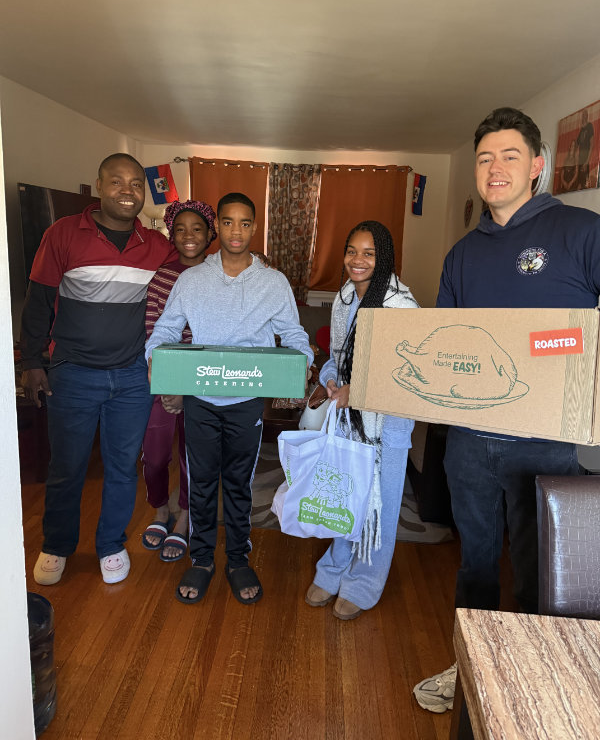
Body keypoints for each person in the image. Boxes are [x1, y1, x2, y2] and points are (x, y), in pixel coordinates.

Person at [414, 107, 600, 714]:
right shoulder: (463, 254)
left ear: (537, 165)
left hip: (544, 441)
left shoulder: (580, 231)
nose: (495, 168)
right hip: (469, 440)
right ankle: (473, 670)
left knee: (540, 571)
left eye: (510, 156)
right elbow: (444, 342)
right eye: (485, 158)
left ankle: (537, 689)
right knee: (474, 563)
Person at [146, 192, 313, 605]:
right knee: (201, 483)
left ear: (254, 228)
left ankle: (238, 560)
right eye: (227, 222)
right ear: (216, 227)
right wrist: (155, 359)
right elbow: (166, 329)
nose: (236, 231)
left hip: (246, 402)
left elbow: (294, 335)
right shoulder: (192, 280)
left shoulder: (273, 282)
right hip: (200, 400)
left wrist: (302, 364)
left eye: (244, 223)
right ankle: (202, 560)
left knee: (239, 484)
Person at [21, 153, 175, 586]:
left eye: (136, 184)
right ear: (100, 186)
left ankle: (111, 545)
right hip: (73, 374)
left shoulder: (155, 244)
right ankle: (56, 545)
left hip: (132, 377)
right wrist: (32, 362)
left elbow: (193, 266)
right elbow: (39, 300)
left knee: (123, 468)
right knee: (66, 468)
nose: (128, 191)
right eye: (117, 182)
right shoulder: (63, 233)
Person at [305, 220, 418, 620]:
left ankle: (365, 581)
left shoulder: (401, 305)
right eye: (352, 251)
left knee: (379, 506)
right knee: (345, 495)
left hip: (387, 427)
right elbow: (337, 359)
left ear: (383, 258)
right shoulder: (343, 300)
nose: (358, 260)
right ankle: (334, 567)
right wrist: (331, 380)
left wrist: (361, 389)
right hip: (348, 421)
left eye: (369, 253)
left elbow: (410, 372)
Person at [140, 199, 217, 561]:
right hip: (165, 375)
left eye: (197, 228)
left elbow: (220, 334)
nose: (189, 236)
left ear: (210, 234)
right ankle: (160, 510)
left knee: (193, 455)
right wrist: (169, 383)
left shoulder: (220, 275)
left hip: (203, 378)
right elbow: (153, 328)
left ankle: (184, 516)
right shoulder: (162, 275)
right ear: (171, 234)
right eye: (181, 229)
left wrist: (189, 387)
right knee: (155, 455)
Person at [575, 108, 594, 190]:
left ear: (587, 116)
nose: (584, 116)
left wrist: (587, 161)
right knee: (578, 184)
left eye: (585, 115)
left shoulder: (590, 126)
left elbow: (592, 145)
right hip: (580, 159)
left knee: (584, 184)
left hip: (585, 159)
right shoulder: (581, 129)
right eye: (583, 115)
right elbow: (577, 144)